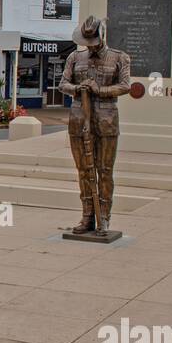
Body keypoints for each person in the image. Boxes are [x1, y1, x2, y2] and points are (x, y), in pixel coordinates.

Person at [59, 15, 131, 234]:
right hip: (79, 117)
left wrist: (100, 90)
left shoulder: (119, 58)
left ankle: (105, 217)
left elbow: (125, 85)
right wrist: (79, 88)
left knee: (105, 170)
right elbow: (63, 83)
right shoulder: (74, 57)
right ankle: (87, 216)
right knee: (83, 171)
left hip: (106, 118)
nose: (89, 46)